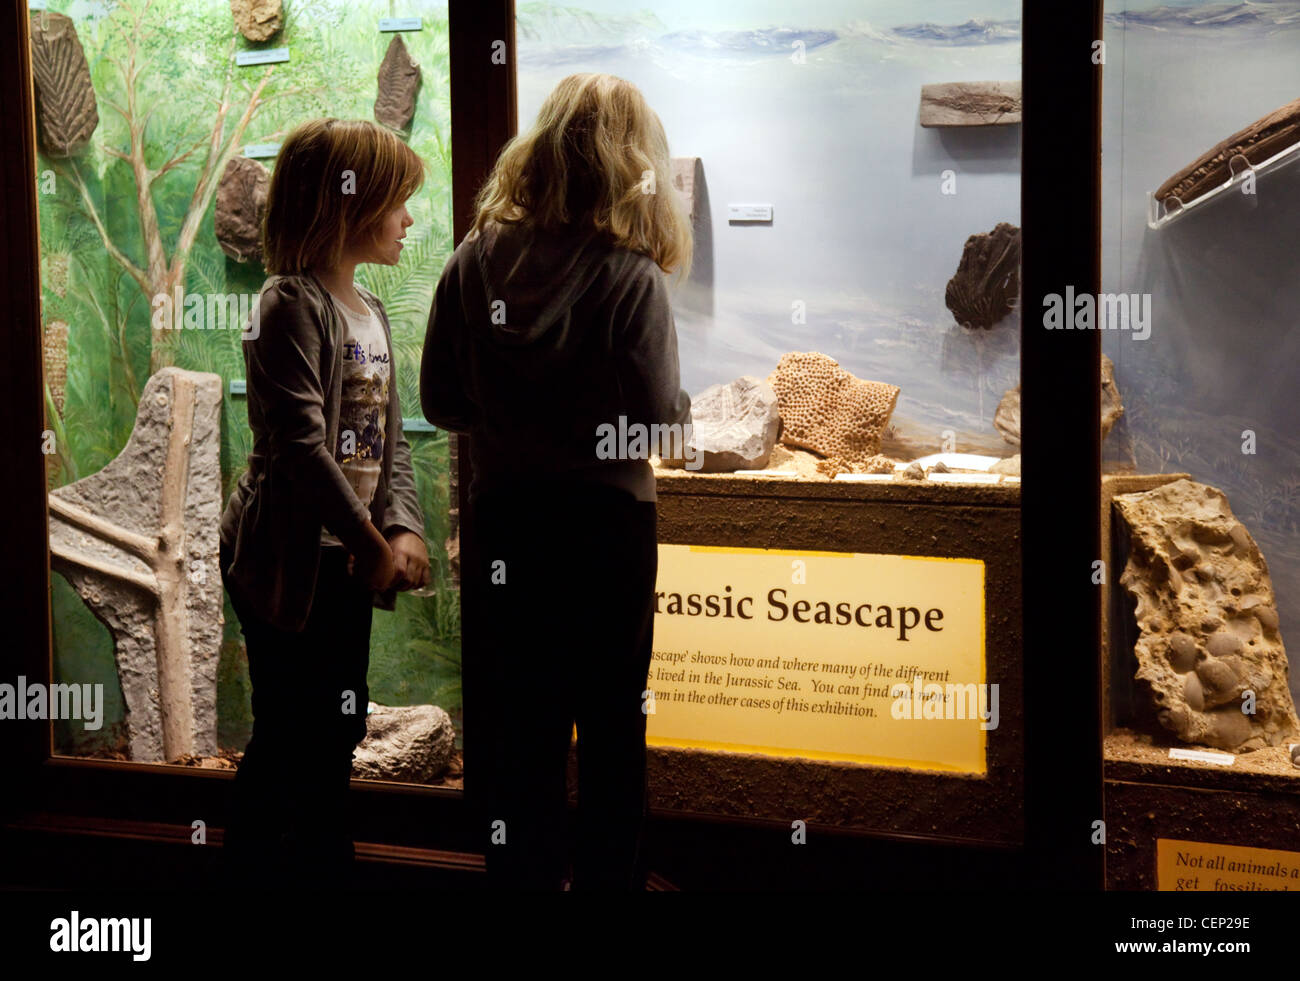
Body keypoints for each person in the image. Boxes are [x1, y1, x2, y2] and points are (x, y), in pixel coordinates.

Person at [420, 73, 693, 891]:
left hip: (509, 521)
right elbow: (657, 419)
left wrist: (519, 420)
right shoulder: (630, 276)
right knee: (613, 729)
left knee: (520, 735)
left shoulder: (470, 264)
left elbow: (440, 401)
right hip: (607, 525)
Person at [219, 117, 431, 887]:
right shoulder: (286, 305)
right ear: (347, 204)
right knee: (289, 732)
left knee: (337, 721)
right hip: (286, 562)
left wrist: (401, 524)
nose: (409, 219)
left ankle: (319, 865)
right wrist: (371, 544)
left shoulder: (370, 310)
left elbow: (393, 439)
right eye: (397, 202)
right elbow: (302, 449)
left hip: (346, 562)